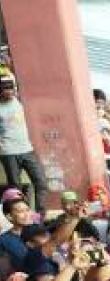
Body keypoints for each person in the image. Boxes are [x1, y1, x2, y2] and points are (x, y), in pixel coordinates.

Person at [0, 75, 48, 211]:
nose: (9, 91)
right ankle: (20, 216)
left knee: (41, 182)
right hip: (8, 152)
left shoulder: (18, 100)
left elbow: (16, 79)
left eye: (11, 88)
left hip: (27, 149)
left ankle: (39, 216)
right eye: (5, 89)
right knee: (15, 188)